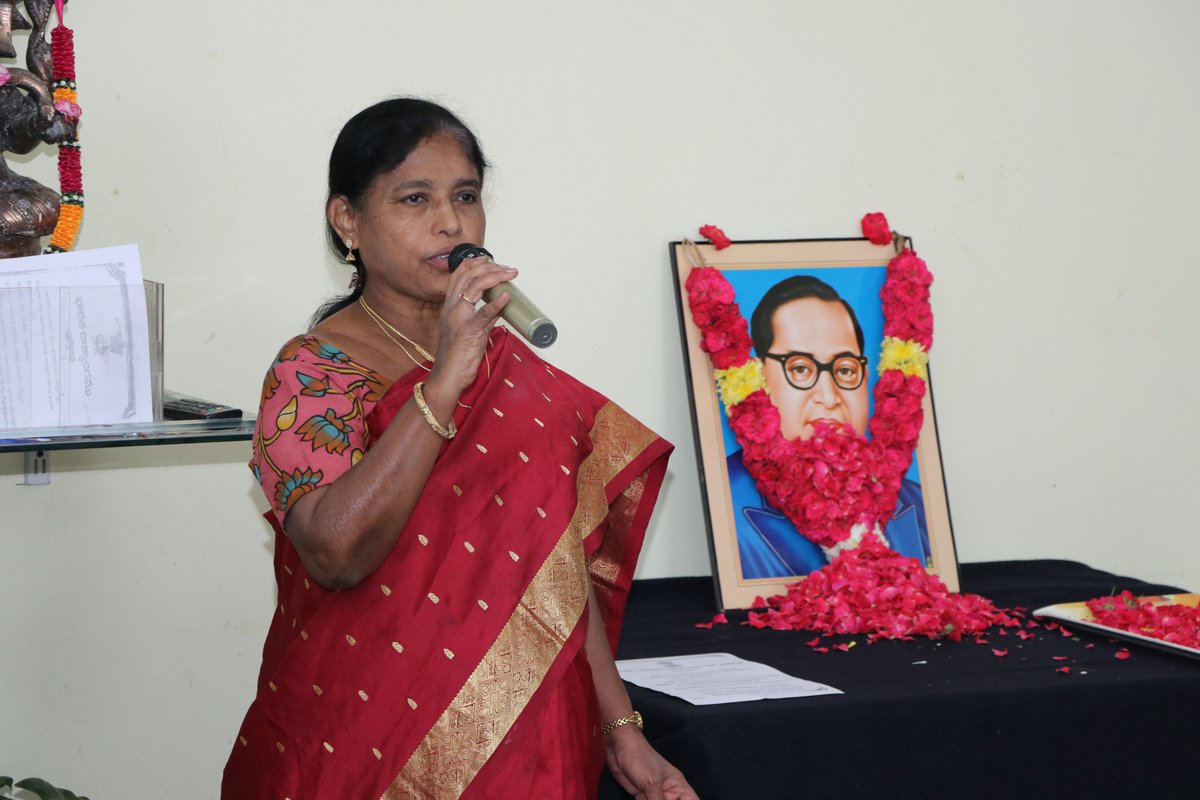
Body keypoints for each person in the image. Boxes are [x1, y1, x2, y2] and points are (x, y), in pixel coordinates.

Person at [222, 98, 697, 800]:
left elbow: (554, 562)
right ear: (347, 220)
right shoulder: (312, 371)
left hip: (534, 741)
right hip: (362, 742)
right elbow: (334, 552)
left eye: (466, 197)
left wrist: (621, 730)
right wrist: (445, 379)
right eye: (415, 198)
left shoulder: (516, 371)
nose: (450, 222)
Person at [726, 274, 930, 580]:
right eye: (799, 368)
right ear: (758, 378)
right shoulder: (727, 506)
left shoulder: (915, 501)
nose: (828, 396)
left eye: (845, 370)